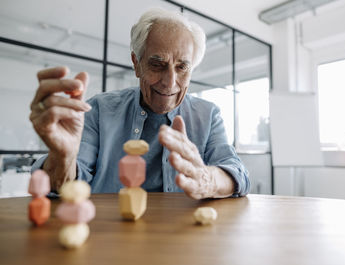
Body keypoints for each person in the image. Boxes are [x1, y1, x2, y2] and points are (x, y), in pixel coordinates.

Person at [30, 8, 249, 199]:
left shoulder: (208, 115)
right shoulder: (99, 111)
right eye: (157, 64)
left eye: (182, 67)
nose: (169, 82)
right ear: (137, 63)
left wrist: (207, 180)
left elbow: (237, 173)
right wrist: (63, 157)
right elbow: (64, 186)